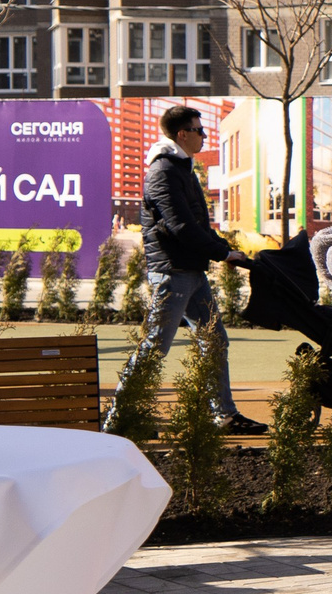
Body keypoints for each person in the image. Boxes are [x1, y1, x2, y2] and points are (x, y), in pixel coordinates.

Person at [112, 106, 264, 435]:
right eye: (199, 130)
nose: (204, 136)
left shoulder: (183, 169)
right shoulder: (164, 172)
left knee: (214, 340)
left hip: (191, 272)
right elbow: (180, 226)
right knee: (155, 346)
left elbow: (198, 224)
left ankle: (222, 414)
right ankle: (118, 416)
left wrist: (224, 247)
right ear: (182, 134)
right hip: (173, 272)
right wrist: (222, 253)